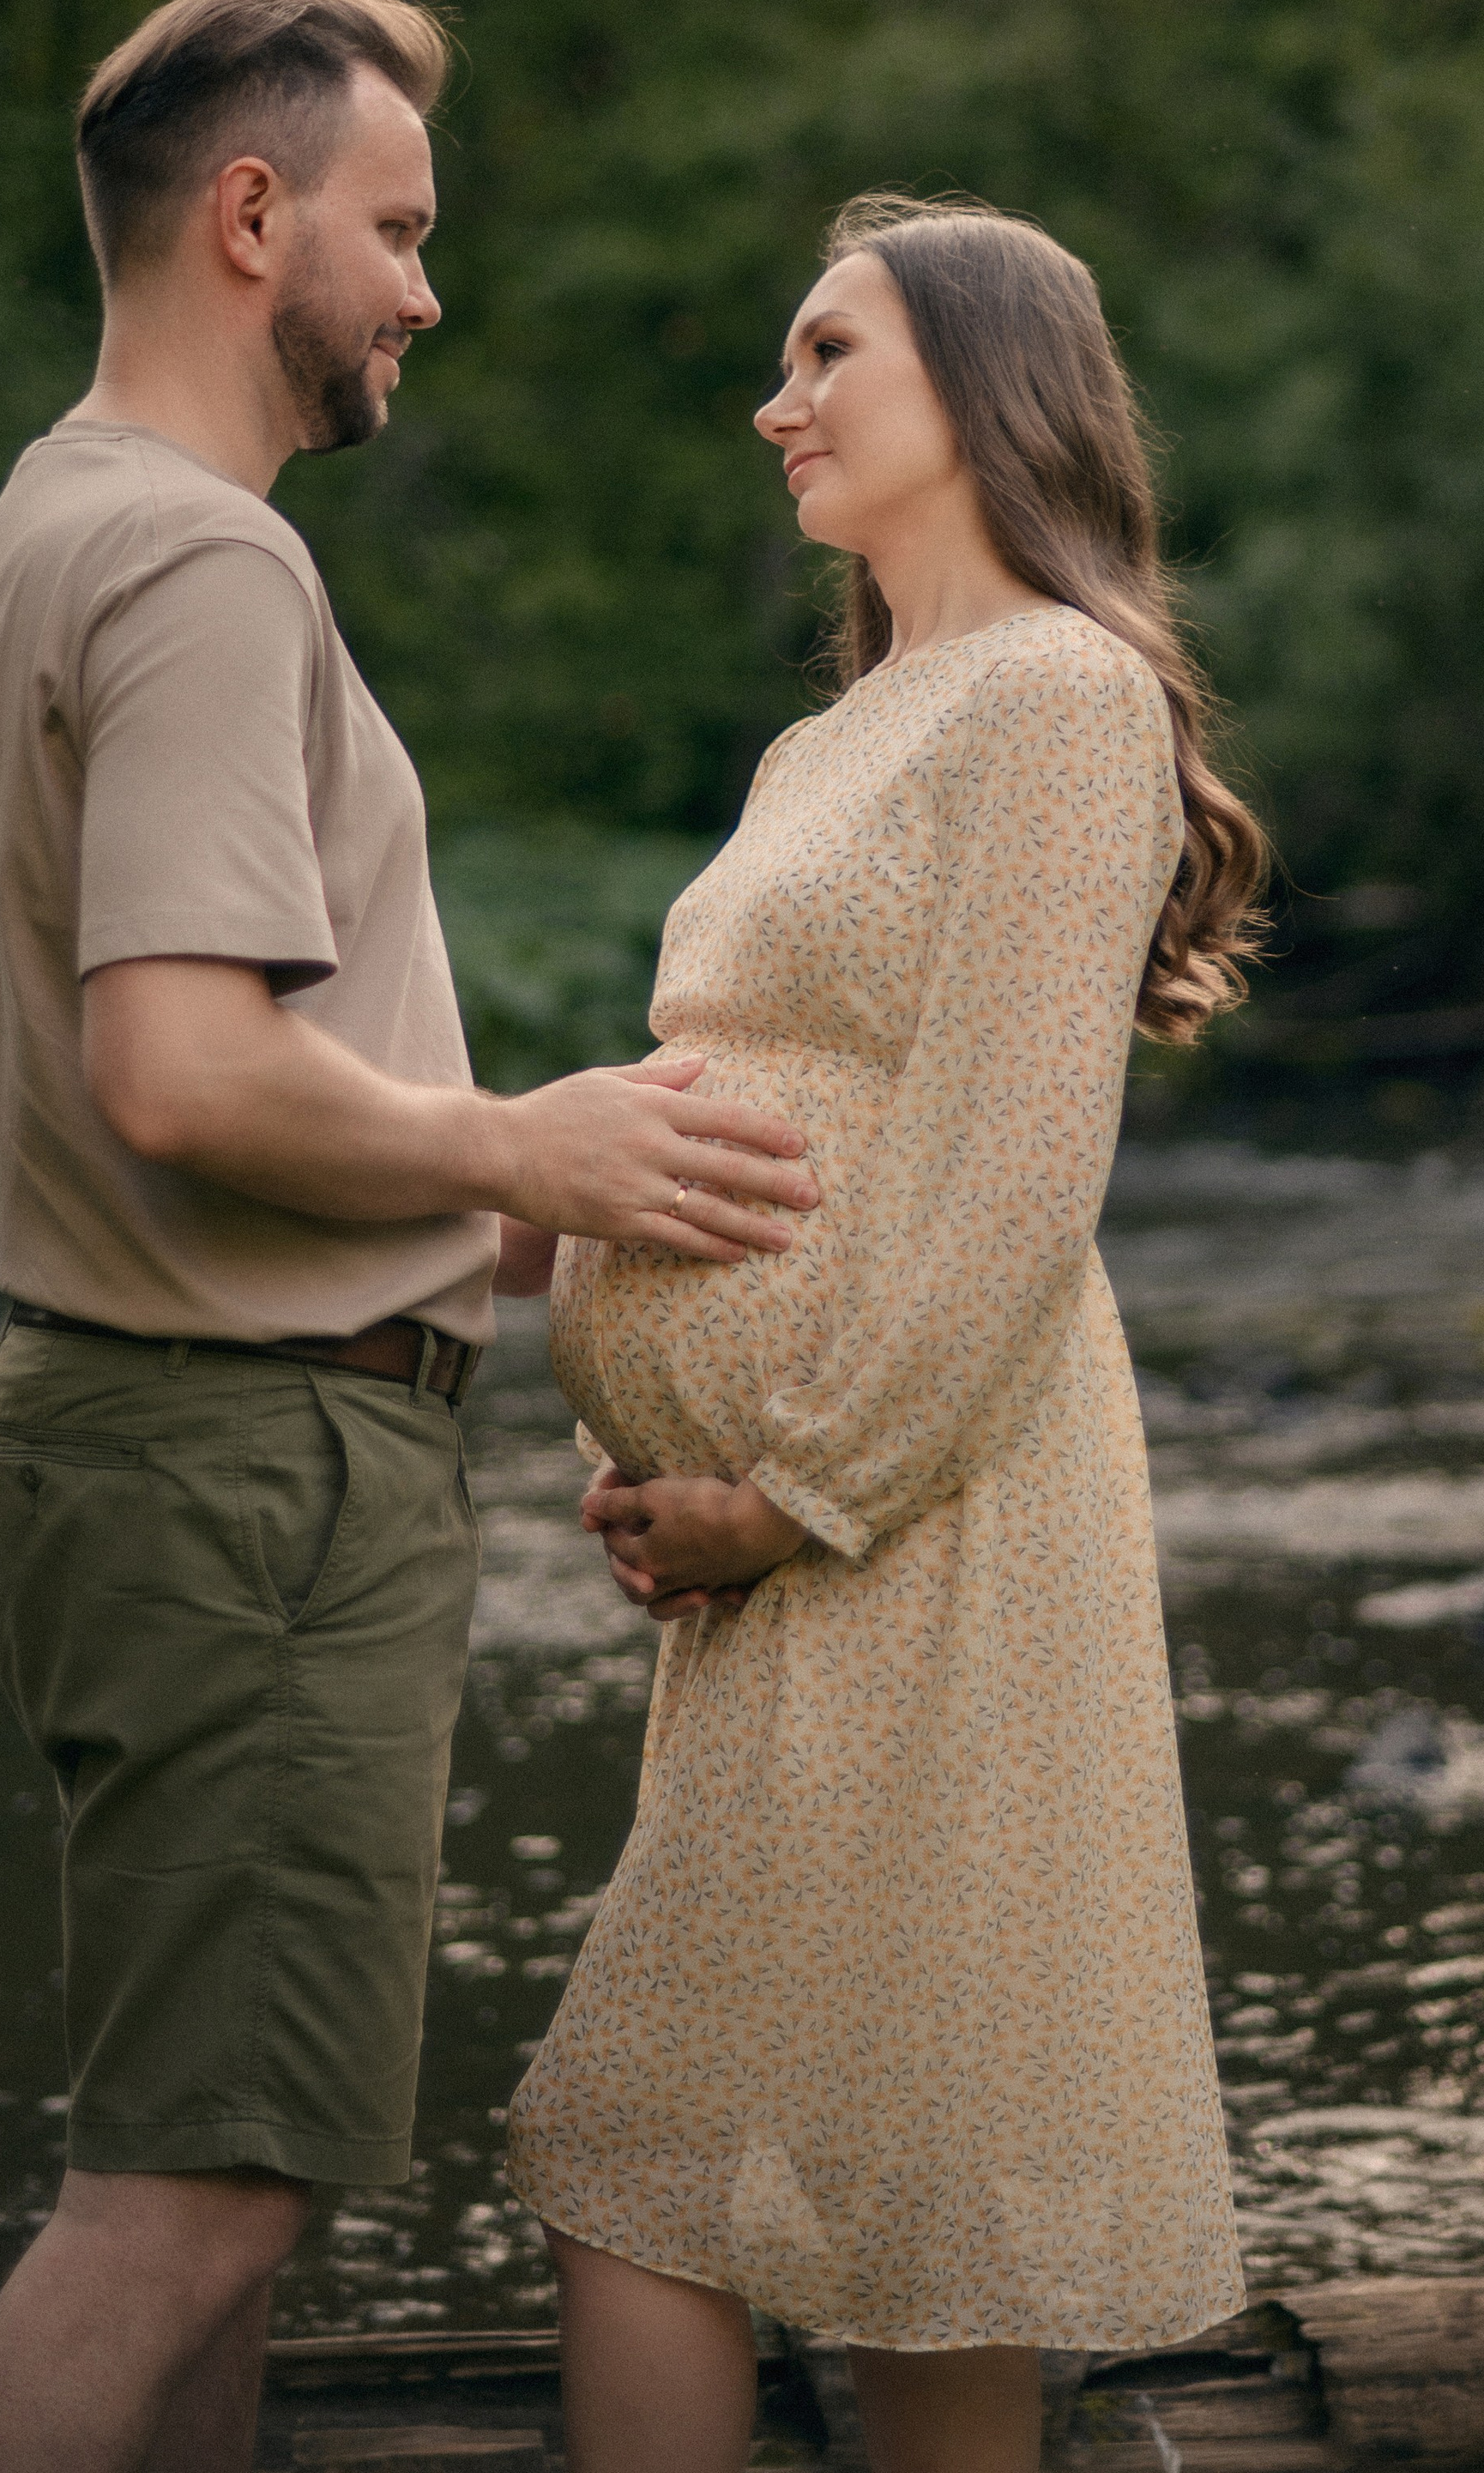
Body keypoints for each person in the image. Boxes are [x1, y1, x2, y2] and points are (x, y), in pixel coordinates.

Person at [0, 0, 819, 2473]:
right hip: (247, 1473)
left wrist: (541, 1207)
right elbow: (181, 1071)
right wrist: (522, 1148)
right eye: (396, 228)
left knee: (223, 2192)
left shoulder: (47, 519)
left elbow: (185, 1105)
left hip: (159, 1439)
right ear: (249, 217)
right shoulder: (205, 569)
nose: (424, 286)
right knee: (184, 2210)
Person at [504, 194, 1268, 2473]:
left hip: (921, 1512)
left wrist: (795, 1481)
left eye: (829, 352)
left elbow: (1020, 1164)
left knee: (673, 2158)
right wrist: (636, 1440)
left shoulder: (1060, 688)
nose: (781, 402)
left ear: (987, 380)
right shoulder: (827, 738)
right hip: (764, 1550)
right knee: (889, 2171)